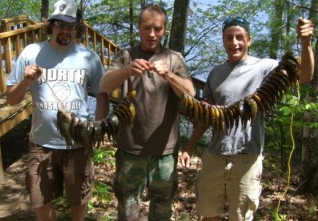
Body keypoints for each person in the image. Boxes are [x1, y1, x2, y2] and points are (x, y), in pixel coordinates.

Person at [180, 16, 314, 221]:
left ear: (249, 40)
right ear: (223, 41)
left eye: (239, 37)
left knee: (241, 217)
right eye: (228, 37)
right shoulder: (215, 73)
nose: (234, 42)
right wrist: (189, 147)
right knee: (208, 214)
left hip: (247, 158)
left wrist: (306, 44)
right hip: (214, 156)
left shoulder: (265, 67)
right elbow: (206, 117)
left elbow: (304, 76)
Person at [6, 0, 109, 220]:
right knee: (41, 201)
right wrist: (25, 81)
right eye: (60, 24)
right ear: (51, 25)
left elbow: (101, 95)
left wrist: (97, 128)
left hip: (78, 142)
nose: (65, 30)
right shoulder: (31, 53)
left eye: (70, 25)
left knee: (78, 198)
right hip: (41, 144)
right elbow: (11, 100)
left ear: (77, 28)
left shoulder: (89, 57)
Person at [99, 3, 195, 221]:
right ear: (139, 27)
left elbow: (190, 93)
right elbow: (104, 85)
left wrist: (169, 75)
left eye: (158, 29)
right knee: (128, 208)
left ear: (164, 29)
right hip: (130, 149)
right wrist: (126, 70)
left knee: (162, 209)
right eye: (146, 28)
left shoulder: (174, 58)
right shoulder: (126, 55)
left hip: (165, 152)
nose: (152, 34)